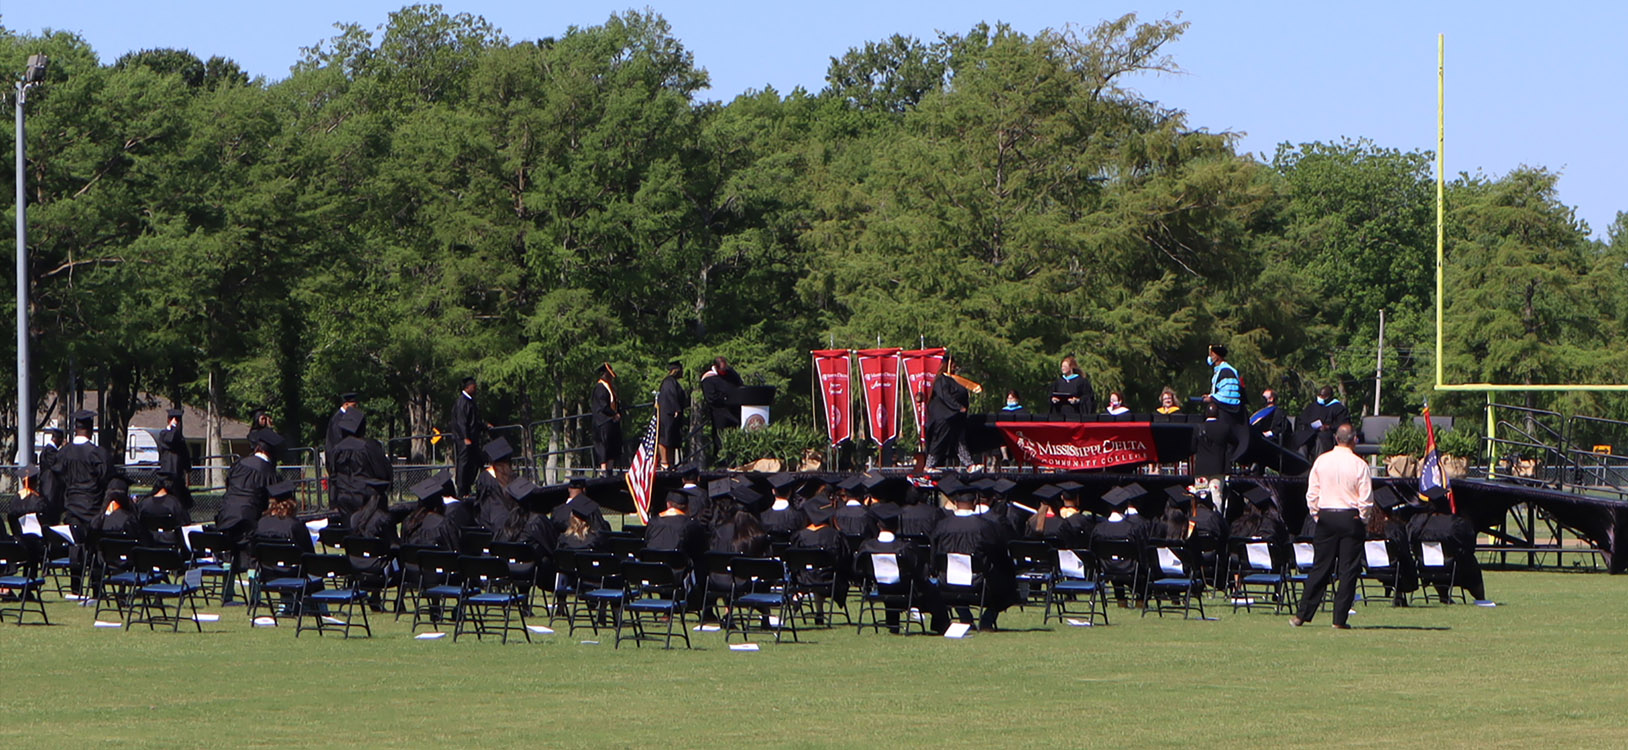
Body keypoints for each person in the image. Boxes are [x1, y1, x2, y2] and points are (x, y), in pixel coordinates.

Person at [1291, 424, 1373, 629]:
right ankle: (1339, 619)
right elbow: (1366, 498)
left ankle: (1302, 615)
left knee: (1320, 567)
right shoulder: (1360, 464)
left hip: (1326, 516)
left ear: (1336, 438)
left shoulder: (1322, 460)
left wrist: (1317, 514)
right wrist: (1363, 518)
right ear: (1354, 440)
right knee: (1348, 570)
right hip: (1349, 517)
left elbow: (1312, 493)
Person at [856, 503, 949, 634]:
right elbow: (921, 572)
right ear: (897, 526)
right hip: (907, 592)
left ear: (878, 525)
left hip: (882, 589)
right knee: (932, 591)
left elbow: (859, 570)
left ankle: (893, 624)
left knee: (894, 584)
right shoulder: (905, 548)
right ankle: (941, 626)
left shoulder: (867, 547)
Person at [931, 488, 1016, 630]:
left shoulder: (942, 526)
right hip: (978, 582)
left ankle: (965, 616)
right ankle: (987, 619)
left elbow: (934, 555)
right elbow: (998, 553)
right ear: (975, 502)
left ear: (955, 503)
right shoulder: (985, 526)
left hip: (946, 581)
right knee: (1008, 583)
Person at [58, 410, 112, 596]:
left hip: (72, 505)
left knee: (75, 547)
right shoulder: (96, 453)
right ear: (90, 430)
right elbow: (105, 477)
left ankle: (75, 588)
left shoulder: (65, 452)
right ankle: (96, 589)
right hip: (93, 506)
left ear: (76, 429)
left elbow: (57, 473)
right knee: (96, 548)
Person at [1409, 486, 1492, 605]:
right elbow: (1469, 544)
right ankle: (1481, 598)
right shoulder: (1454, 523)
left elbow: (1411, 542)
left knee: (1441, 561)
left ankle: (1443, 596)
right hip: (1453, 569)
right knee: (1470, 561)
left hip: (1426, 568)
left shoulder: (1417, 523)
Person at [328, 409, 393, 520]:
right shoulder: (369, 446)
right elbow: (384, 472)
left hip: (343, 499)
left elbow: (333, 474)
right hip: (367, 500)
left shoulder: (336, 449)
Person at [1203, 344, 1250, 461]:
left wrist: (1212, 399)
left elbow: (1230, 396)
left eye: (1212, 354)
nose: (1210, 357)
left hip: (1228, 418)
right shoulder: (1219, 371)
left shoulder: (1227, 371)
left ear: (1218, 356)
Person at [924, 354, 970, 468]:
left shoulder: (953, 380)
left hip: (954, 418)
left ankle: (969, 465)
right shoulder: (940, 380)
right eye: (952, 364)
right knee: (938, 443)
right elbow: (946, 396)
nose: (955, 366)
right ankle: (928, 466)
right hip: (944, 418)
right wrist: (958, 407)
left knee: (960, 441)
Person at [700, 356, 743, 465]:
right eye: (722, 370)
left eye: (725, 369)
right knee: (721, 440)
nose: (724, 372)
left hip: (735, 413)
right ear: (716, 367)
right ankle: (722, 463)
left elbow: (739, 385)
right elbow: (711, 398)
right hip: (720, 414)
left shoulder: (731, 374)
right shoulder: (709, 379)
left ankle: (736, 462)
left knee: (735, 439)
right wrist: (725, 398)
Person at [252, 482, 315, 554]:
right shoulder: (295, 526)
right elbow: (309, 553)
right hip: (290, 563)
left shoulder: (261, 522)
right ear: (292, 505)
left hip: (266, 564)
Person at [450, 377, 487, 496]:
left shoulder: (471, 402)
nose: (475, 389)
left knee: (476, 463)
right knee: (464, 464)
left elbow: (474, 421)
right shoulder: (462, 402)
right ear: (467, 387)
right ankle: (462, 490)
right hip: (464, 441)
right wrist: (465, 437)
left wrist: (485, 426)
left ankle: (471, 486)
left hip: (473, 440)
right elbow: (462, 422)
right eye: (473, 387)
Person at [471, 438, 516, 532]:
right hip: (509, 516)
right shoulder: (512, 475)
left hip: (489, 516)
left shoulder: (485, 476)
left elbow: (480, 497)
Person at [323, 391, 359, 507]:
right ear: (346, 404)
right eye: (353, 406)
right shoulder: (337, 420)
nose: (355, 409)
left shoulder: (347, 418)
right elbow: (337, 443)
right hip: (338, 461)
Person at [138, 474, 193, 548]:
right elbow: (185, 523)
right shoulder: (174, 503)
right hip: (170, 545)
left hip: (149, 544)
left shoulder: (144, 503)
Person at [156, 408, 194, 510]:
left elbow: (185, 454)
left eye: (178, 420)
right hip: (166, 475)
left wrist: (188, 470)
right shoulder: (163, 434)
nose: (176, 422)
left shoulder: (180, 438)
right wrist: (172, 426)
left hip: (178, 475)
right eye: (174, 419)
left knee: (184, 502)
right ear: (169, 420)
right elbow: (170, 440)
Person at [589, 363, 624, 473]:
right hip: (602, 422)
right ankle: (604, 470)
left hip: (611, 422)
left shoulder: (609, 387)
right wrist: (614, 414)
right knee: (603, 445)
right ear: (604, 374)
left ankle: (610, 468)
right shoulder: (600, 387)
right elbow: (603, 406)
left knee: (613, 446)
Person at [656, 361, 689, 470]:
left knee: (671, 440)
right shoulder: (668, 382)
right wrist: (676, 408)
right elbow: (671, 396)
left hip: (672, 415)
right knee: (665, 438)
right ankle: (665, 462)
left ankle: (670, 463)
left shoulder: (673, 382)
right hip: (668, 415)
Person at [1191, 402, 1233, 477]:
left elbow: (1193, 448)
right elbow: (1231, 446)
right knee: (1216, 488)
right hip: (1218, 468)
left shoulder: (1198, 428)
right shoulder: (1225, 428)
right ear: (1218, 414)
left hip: (1201, 469)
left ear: (1206, 413)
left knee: (1201, 489)